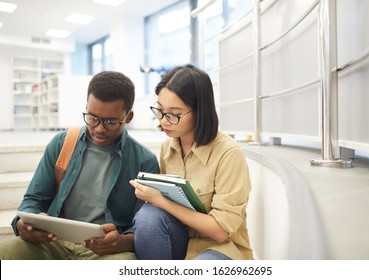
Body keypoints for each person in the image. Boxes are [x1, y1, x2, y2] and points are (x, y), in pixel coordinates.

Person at [0, 71, 159, 260]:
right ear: (86, 107)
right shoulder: (62, 143)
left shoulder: (144, 161)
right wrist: (24, 224)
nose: (99, 128)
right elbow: (34, 199)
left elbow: (143, 230)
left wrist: (121, 242)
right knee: (7, 251)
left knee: (123, 265)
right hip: (54, 243)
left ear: (129, 117)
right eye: (92, 117)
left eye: (110, 122)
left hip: (105, 253)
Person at [130, 64, 253, 260]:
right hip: (181, 240)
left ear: (199, 111)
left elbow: (220, 231)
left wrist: (161, 201)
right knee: (148, 217)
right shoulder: (168, 147)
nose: (163, 121)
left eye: (174, 114)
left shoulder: (228, 153)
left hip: (221, 248)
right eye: (160, 111)